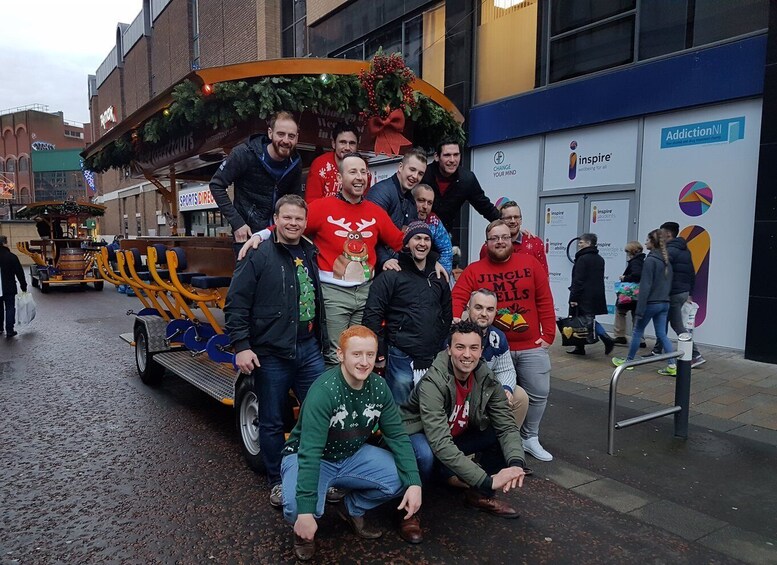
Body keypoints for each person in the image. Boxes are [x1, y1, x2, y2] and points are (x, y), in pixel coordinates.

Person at [239, 153, 405, 366]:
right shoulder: (322, 207)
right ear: (341, 176)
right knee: (337, 355)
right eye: (353, 171)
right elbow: (290, 225)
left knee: (361, 353)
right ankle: (334, 399)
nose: (359, 177)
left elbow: (401, 241)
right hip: (333, 294)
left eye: (363, 172)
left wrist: (433, 259)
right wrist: (260, 235)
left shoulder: (376, 212)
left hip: (366, 293)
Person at [280, 325, 423, 561]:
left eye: (370, 355)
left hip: (350, 454)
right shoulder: (324, 392)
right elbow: (310, 452)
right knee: (297, 507)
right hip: (311, 456)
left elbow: (397, 436)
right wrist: (305, 511)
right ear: (341, 355)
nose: (364, 362)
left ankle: (352, 508)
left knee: (402, 477)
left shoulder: (379, 387)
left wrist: (415, 482)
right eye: (357, 354)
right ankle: (303, 532)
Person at [224, 195, 327, 508]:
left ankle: (317, 475)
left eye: (299, 219)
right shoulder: (258, 253)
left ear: (305, 222)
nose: (293, 223)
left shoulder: (309, 250)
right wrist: (241, 346)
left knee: (319, 414)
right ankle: (278, 481)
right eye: (287, 218)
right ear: (276, 219)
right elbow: (236, 303)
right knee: (271, 421)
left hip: (309, 349)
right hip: (271, 352)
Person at [451, 220, 556, 462]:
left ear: (513, 238)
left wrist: (548, 334)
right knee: (503, 397)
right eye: (494, 238)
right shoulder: (475, 270)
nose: (500, 241)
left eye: (505, 237)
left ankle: (529, 438)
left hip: (530, 343)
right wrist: (457, 320)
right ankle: (501, 444)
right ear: (486, 243)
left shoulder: (530, 263)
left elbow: (544, 298)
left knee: (538, 393)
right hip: (492, 346)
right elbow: (458, 296)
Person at [401, 321, 527, 518]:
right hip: (421, 436)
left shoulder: (487, 378)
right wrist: (486, 479)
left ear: (481, 350)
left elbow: (507, 426)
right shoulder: (432, 381)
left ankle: (479, 496)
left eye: (473, 348)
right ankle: (409, 511)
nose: (467, 355)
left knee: (496, 431)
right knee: (424, 454)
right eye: (460, 347)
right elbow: (440, 443)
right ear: (449, 349)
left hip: (454, 437)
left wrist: (516, 463)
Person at [363, 221, 452, 405]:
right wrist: (378, 352)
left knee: (432, 406)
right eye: (417, 238)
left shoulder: (438, 276)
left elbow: (447, 313)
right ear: (407, 243)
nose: (422, 243)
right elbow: (372, 315)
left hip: (433, 355)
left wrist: (440, 343)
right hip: (401, 354)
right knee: (399, 409)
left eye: (426, 239)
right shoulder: (391, 275)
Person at [209, 111, 302, 248]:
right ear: (270, 133)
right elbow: (216, 185)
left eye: (291, 136)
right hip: (248, 234)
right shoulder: (244, 153)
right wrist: (237, 223)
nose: (286, 140)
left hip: (280, 236)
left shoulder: (295, 162)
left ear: (297, 138)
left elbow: (295, 199)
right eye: (281, 134)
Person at [613, 229, 677, 376]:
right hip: (664, 303)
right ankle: (672, 365)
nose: (645, 242)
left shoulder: (650, 261)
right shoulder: (667, 261)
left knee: (637, 331)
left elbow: (646, 286)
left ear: (653, 243)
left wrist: (640, 309)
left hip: (651, 303)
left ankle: (628, 362)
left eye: (647, 240)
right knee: (662, 334)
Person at [465, 289, 529, 432]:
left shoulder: (498, 337)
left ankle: (504, 444)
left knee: (519, 396)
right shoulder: (456, 334)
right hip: (461, 393)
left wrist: (506, 389)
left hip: (486, 389)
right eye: (478, 307)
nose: (484, 313)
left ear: (495, 312)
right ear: (468, 307)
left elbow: (506, 369)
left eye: (490, 309)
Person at [420, 139, 500, 244]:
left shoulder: (467, 179)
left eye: (456, 155)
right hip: (418, 235)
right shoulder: (423, 174)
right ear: (436, 157)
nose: (452, 160)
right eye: (447, 155)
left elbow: (485, 207)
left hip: (444, 239)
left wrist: (508, 228)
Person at [651, 222, 705, 367]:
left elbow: (664, 272)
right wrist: (689, 293)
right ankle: (657, 350)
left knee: (676, 324)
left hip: (673, 293)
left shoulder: (669, 250)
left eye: (661, 233)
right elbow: (692, 273)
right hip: (682, 291)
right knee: (663, 320)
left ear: (668, 234)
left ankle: (695, 355)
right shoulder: (684, 250)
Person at [366, 147, 426, 269]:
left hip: (396, 262)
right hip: (375, 266)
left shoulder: (410, 201)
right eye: (412, 169)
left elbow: (408, 238)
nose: (415, 176)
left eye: (420, 173)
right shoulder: (382, 191)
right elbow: (369, 233)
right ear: (400, 167)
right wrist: (385, 260)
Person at [567, 233, 615, 356]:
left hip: (583, 296)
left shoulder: (582, 259)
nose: (579, 244)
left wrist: (574, 297)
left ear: (588, 243)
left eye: (581, 242)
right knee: (584, 320)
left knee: (584, 320)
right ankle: (580, 347)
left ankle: (606, 338)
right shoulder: (599, 258)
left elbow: (578, 280)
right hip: (595, 296)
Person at [305, 122, 371, 203]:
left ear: (357, 146)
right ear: (333, 144)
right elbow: (311, 203)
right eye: (342, 142)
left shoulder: (363, 168)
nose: (347, 148)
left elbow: (364, 202)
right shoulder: (320, 165)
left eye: (352, 143)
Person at [478, 200, 548, 273]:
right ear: (500, 220)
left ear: (521, 220)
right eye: (508, 218)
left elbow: (544, 276)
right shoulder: (488, 247)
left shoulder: (535, 244)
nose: (513, 221)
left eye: (516, 217)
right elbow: (482, 276)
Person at [412, 183, 453, 275]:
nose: (425, 206)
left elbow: (446, 250)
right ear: (412, 200)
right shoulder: (401, 217)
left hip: (427, 271)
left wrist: (442, 274)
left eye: (429, 203)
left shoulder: (433, 220)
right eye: (421, 200)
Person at [613, 241, 646, 347]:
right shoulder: (642, 261)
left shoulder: (635, 262)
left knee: (620, 311)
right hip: (638, 294)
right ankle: (640, 339)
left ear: (631, 252)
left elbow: (636, 275)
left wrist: (624, 278)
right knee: (636, 315)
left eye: (627, 251)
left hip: (629, 293)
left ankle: (620, 336)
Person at [0, 235, 28, 338]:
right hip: (9, 286)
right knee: (10, 308)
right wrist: (23, 285)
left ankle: (0, 327)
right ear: (4, 243)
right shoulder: (11, 256)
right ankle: (10, 330)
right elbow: (19, 272)